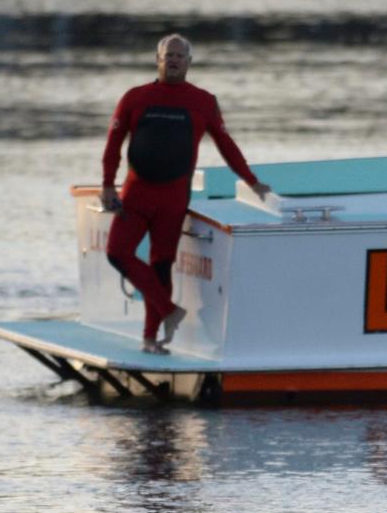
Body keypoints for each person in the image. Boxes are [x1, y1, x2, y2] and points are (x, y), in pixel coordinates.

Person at [100, 33, 272, 354]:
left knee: (161, 265)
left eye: (180, 56)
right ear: (158, 60)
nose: (174, 61)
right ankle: (169, 309)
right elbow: (113, 146)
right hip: (136, 195)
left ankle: (151, 339)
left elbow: (226, 146)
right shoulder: (135, 97)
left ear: (189, 62)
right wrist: (108, 185)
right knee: (117, 253)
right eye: (168, 56)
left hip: (173, 199)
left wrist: (251, 180)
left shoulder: (203, 101)